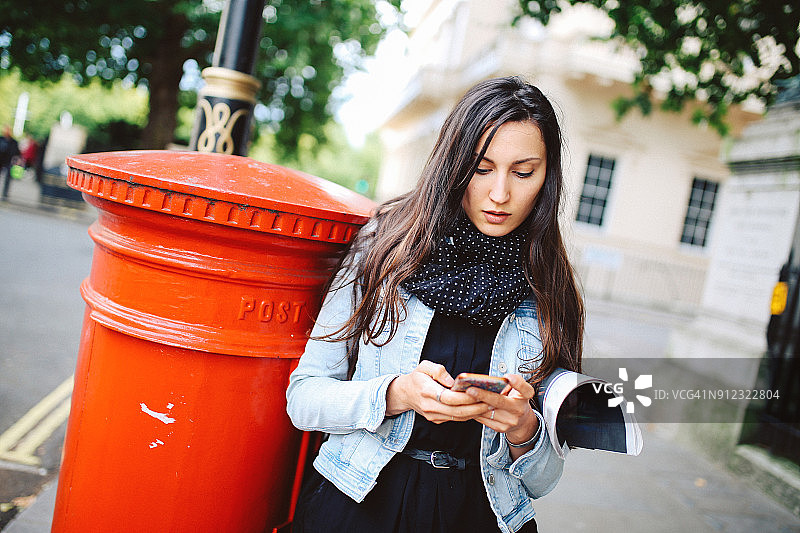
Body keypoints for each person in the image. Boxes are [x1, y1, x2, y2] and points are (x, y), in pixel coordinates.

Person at [286, 76, 585, 533]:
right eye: (481, 169)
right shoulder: (385, 249)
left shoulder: (552, 289)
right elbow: (303, 399)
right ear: (454, 164)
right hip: (361, 504)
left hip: (480, 515)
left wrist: (524, 428)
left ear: (548, 176)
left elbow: (545, 480)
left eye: (523, 173)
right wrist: (394, 394)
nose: (500, 194)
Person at [0, 125, 20, 200]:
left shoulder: (14, 142)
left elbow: (17, 152)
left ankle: (5, 194)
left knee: (8, 178)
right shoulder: (1, 139)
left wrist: (17, 160)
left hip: (9, 161)